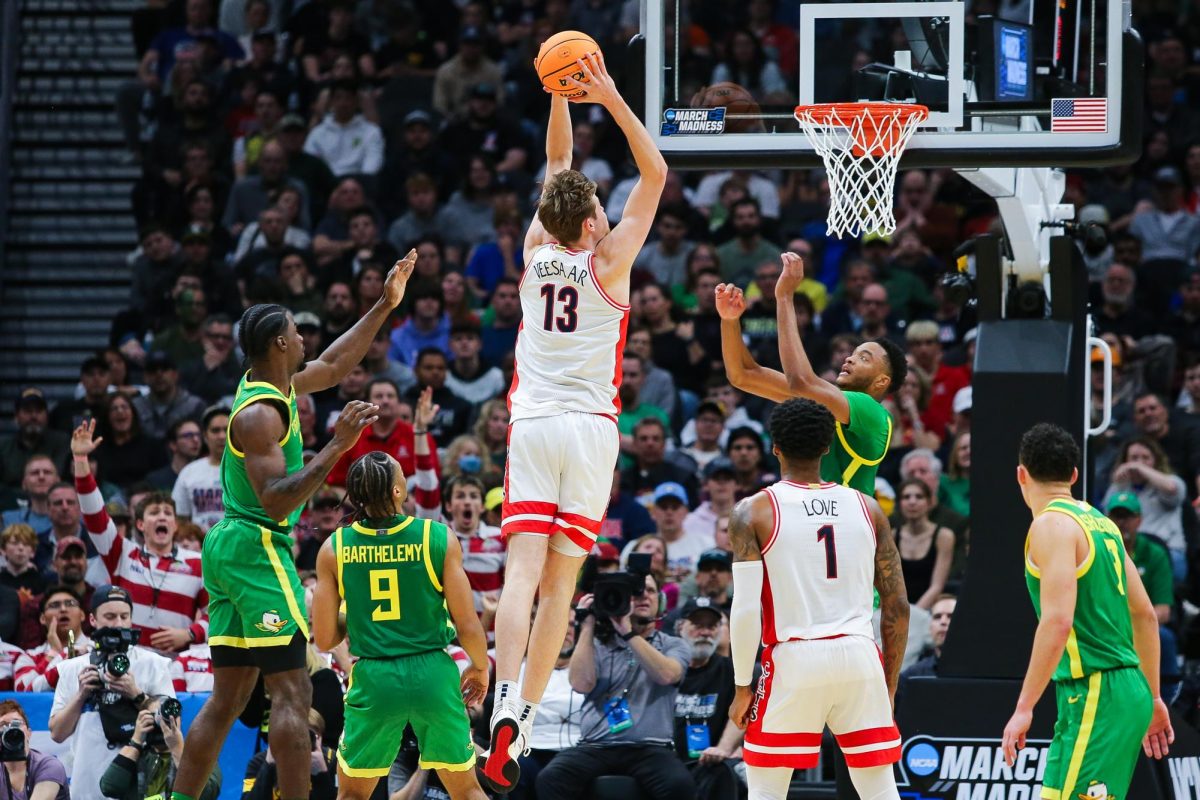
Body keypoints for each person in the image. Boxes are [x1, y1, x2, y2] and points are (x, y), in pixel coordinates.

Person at [170, 250, 419, 800]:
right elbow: (280, 501)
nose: (306, 338)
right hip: (257, 543)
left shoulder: (272, 386)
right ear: (280, 343)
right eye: (298, 332)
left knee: (230, 695)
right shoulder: (261, 414)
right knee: (291, 688)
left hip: (234, 545)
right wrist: (338, 446)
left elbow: (333, 367)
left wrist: (383, 305)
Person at [484, 51, 668, 792]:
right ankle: (525, 717)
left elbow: (559, 162)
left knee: (519, 577)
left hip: (532, 425)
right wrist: (611, 96)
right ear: (594, 221)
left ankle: (502, 708)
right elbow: (652, 175)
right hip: (590, 431)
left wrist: (557, 93)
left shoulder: (532, 254)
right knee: (561, 590)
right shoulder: (611, 261)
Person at [727, 398, 909, 800]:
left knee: (766, 789)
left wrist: (742, 686)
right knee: (880, 790)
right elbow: (897, 605)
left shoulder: (753, 512)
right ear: (828, 447)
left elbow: (744, 610)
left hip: (795, 657)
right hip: (860, 656)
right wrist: (889, 684)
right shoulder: (868, 508)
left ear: (774, 446)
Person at [1000, 423, 1173, 797]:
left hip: (1098, 690)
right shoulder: (1104, 524)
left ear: (1021, 474)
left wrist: (1024, 706)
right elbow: (1144, 615)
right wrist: (1154, 696)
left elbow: (1058, 621)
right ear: (1074, 475)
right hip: (1122, 689)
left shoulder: (1051, 525)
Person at [311, 451, 489, 800]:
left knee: (351, 795)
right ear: (397, 491)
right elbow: (467, 622)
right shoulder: (436, 537)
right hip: (433, 674)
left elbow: (326, 635)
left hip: (376, 678)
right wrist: (480, 666)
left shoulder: (334, 547)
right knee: (466, 790)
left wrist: (362, 617)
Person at [718, 252, 906, 496]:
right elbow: (742, 375)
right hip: (820, 524)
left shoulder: (873, 413)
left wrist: (784, 297)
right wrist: (730, 320)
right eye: (854, 352)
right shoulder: (827, 403)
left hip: (848, 529)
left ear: (882, 381)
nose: (850, 358)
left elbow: (800, 382)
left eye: (863, 358)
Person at [535, 570, 694, 799]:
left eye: (650, 591)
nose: (644, 597)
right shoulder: (597, 642)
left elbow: (667, 675)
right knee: (550, 778)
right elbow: (581, 684)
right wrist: (587, 625)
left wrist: (627, 632)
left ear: (660, 601)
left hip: (651, 748)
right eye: (636, 592)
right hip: (595, 746)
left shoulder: (673, 644)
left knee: (680, 784)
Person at [73, 421, 207, 653]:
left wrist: (190, 633)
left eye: (168, 514)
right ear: (141, 524)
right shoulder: (123, 553)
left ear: (175, 525)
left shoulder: (197, 562)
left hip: (176, 668)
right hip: (128, 662)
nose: (162, 518)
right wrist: (81, 461)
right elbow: (95, 515)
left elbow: (217, 613)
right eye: (154, 513)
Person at [48, 585, 178, 800]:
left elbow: (172, 723)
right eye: (110, 616)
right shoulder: (72, 668)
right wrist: (81, 695)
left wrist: (136, 694)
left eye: (124, 616)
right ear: (92, 620)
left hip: (141, 784)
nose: (118, 623)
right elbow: (57, 734)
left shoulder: (153, 664)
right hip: (88, 785)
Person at [100, 695, 220, 800]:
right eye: (155, 716)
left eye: (168, 718)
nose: (163, 723)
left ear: (179, 719)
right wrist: (136, 740)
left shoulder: (199, 755)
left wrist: (177, 749)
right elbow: (109, 788)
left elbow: (207, 795)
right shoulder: (134, 756)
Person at [171, 406, 229, 532]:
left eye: (227, 430)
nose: (222, 436)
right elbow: (180, 518)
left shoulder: (249, 470)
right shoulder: (189, 472)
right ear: (205, 436)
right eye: (215, 430)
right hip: (199, 547)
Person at [0, 699, 69, 800]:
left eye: (17, 723)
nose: (11, 729)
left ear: (29, 733)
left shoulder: (49, 765)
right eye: (3, 725)